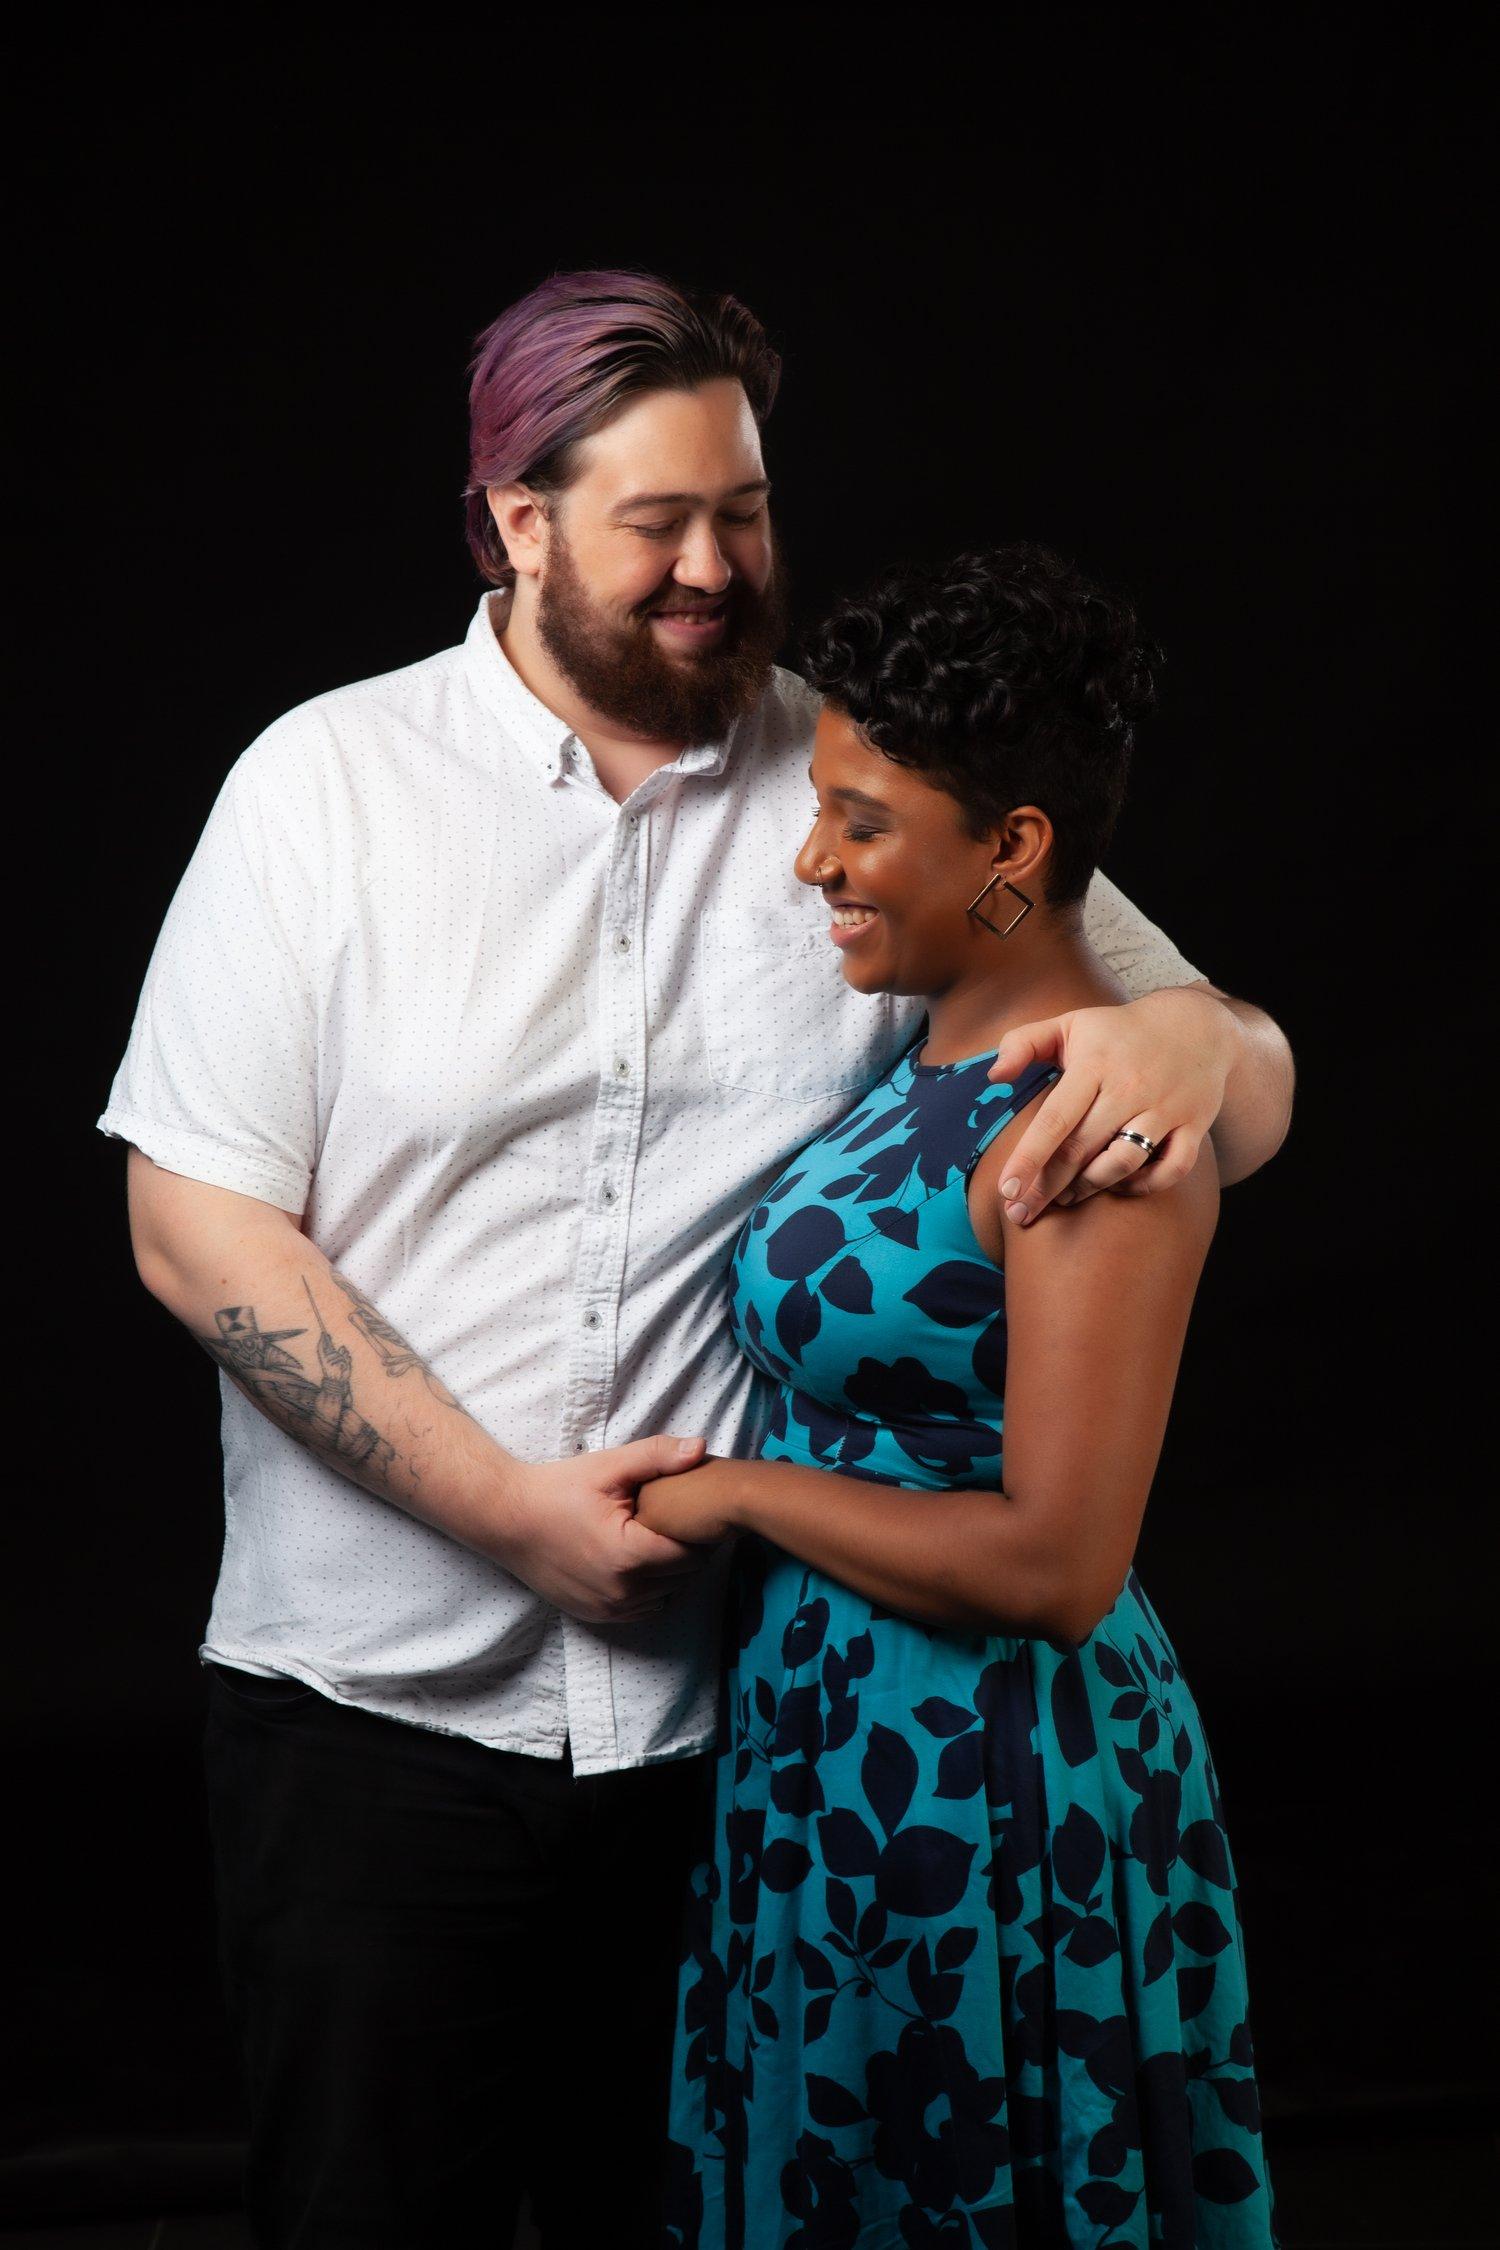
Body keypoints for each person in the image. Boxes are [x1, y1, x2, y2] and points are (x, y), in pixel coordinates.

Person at [96, 273, 1291, 2248]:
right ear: (520, 519)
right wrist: (510, 1512)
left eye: (743, 513)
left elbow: (1192, 1063)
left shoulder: (868, 776)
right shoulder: (320, 791)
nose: (717, 572)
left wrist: (1208, 1038)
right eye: (659, 524)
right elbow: (188, 1219)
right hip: (372, 1732)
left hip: (741, 1739)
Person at [638, 545, 1279, 2246]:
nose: (813, 857)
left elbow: (1057, 1567)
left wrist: (735, 1494)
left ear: (1012, 850)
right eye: (819, 805)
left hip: (986, 1770)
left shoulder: (1095, 1133)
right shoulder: (927, 1057)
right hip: (836, 1736)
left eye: (863, 821)